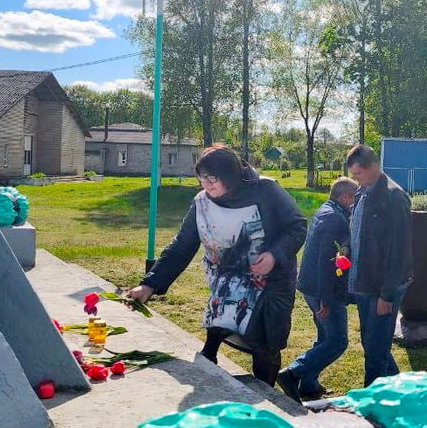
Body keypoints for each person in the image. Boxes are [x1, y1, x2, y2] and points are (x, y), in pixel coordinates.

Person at [126, 144, 307, 386]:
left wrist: (275, 255)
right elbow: (182, 245)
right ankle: (209, 372)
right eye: (202, 178)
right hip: (226, 279)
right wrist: (149, 284)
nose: (206, 185)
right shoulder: (202, 202)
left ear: (230, 177)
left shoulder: (266, 190)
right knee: (218, 328)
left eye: (212, 179)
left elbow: (297, 226)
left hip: (271, 283)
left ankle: (267, 395)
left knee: (265, 345)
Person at [277, 177, 358, 402]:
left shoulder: (326, 210)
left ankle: (309, 385)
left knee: (324, 336)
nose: (357, 203)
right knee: (337, 340)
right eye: (355, 198)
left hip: (310, 284)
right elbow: (326, 261)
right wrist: (325, 300)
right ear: (345, 197)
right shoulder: (335, 220)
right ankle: (293, 373)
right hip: (323, 289)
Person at [345, 144, 412, 387]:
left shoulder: (394, 197)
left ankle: (371, 401)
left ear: (373, 167)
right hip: (363, 281)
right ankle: (401, 390)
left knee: (375, 350)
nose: (356, 180)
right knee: (372, 343)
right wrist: (346, 247)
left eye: (358, 174)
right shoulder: (362, 192)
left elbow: (400, 251)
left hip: (382, 287)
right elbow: (357, 229)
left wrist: (387, 294)